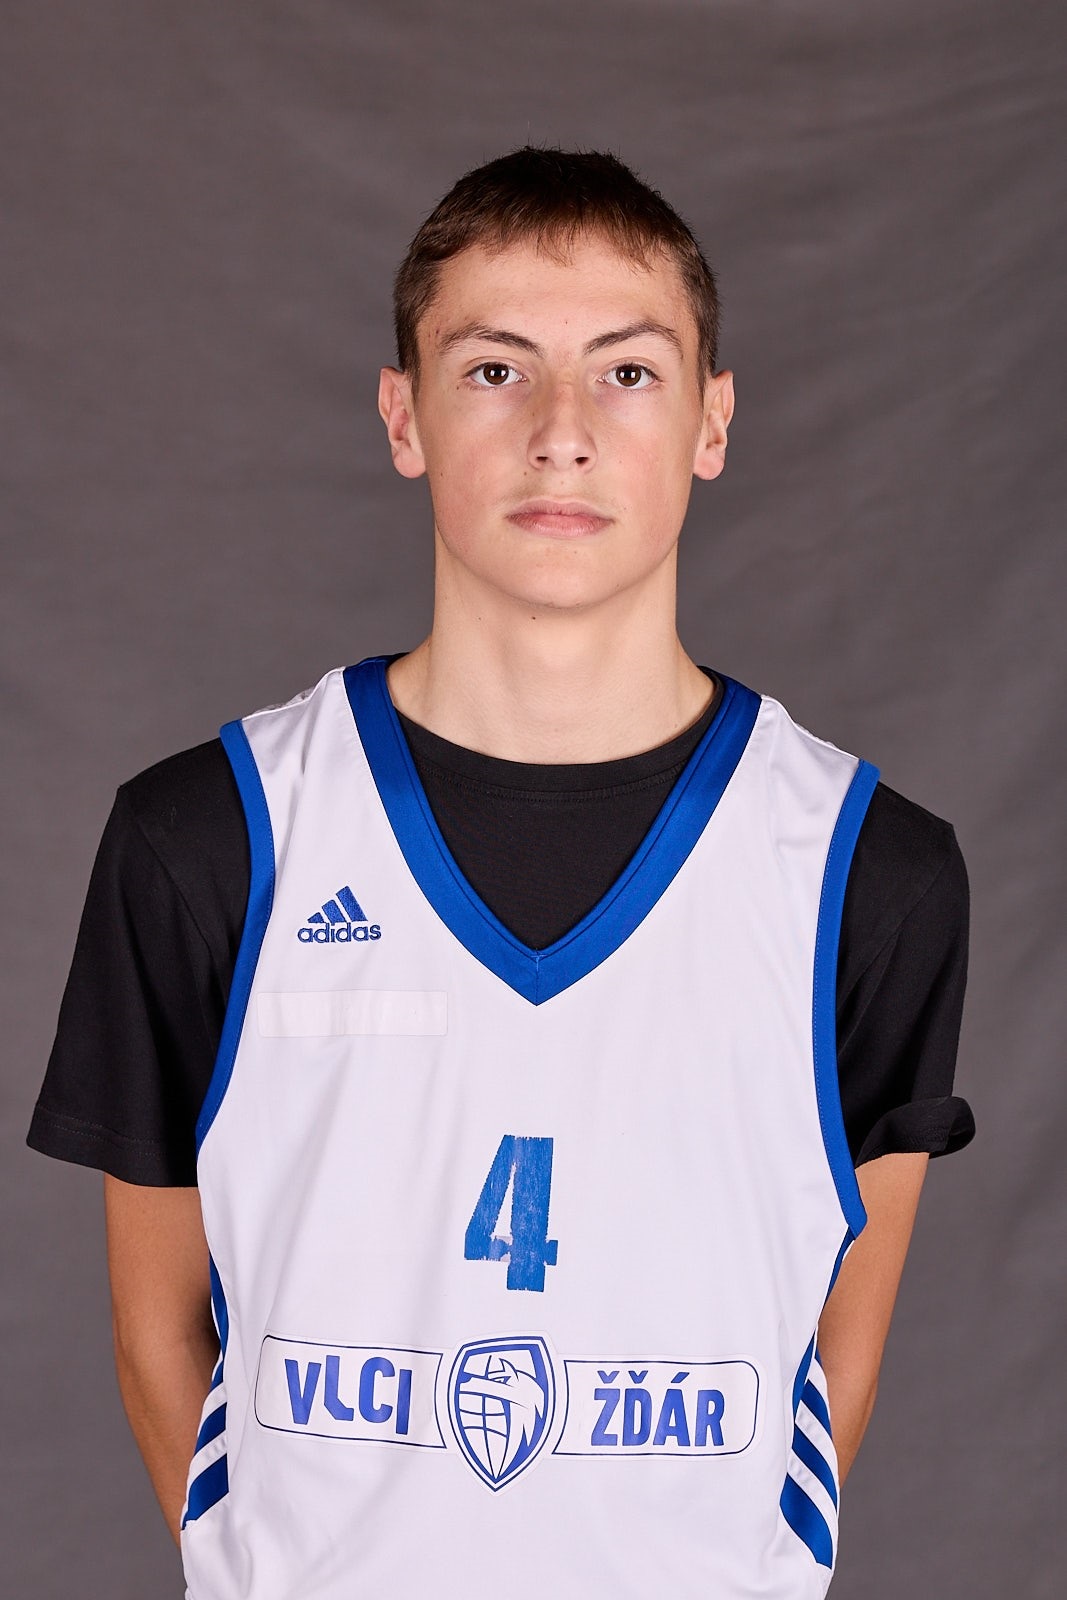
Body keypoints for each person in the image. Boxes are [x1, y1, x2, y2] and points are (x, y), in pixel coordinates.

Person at [29, 147, 973, 1598]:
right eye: (493, 370)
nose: (561, 435)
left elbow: (828, 1344)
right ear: (403, 415)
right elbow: (159, 1331)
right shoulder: (213, 835)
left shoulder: (868, 870)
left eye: (629, 373)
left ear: (714, 422)